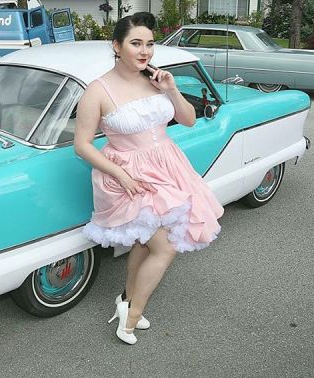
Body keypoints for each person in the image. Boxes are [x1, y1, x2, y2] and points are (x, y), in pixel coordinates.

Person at [74, 12, 224, 345]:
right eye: (136, 43)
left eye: (150, 44)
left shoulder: (155, 79)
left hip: (167, 166)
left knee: (145, 241)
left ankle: (126, 301)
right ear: (117, 46)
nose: (145, 51)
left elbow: (187, 121)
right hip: (127, 175)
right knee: (165, 246)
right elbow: (82, 145)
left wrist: (171, 90)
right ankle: (132, 315)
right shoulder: (97, 90)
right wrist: (122, 176)